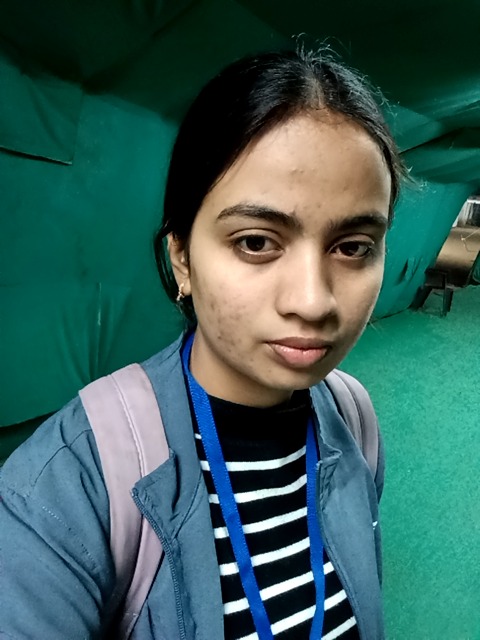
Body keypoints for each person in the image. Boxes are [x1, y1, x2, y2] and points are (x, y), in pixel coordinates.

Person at [0, 48, 404, 639]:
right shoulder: (65, 488)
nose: (313, 301)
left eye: (353, 247)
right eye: (257, 242)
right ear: (182, 257)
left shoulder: (352, 418)